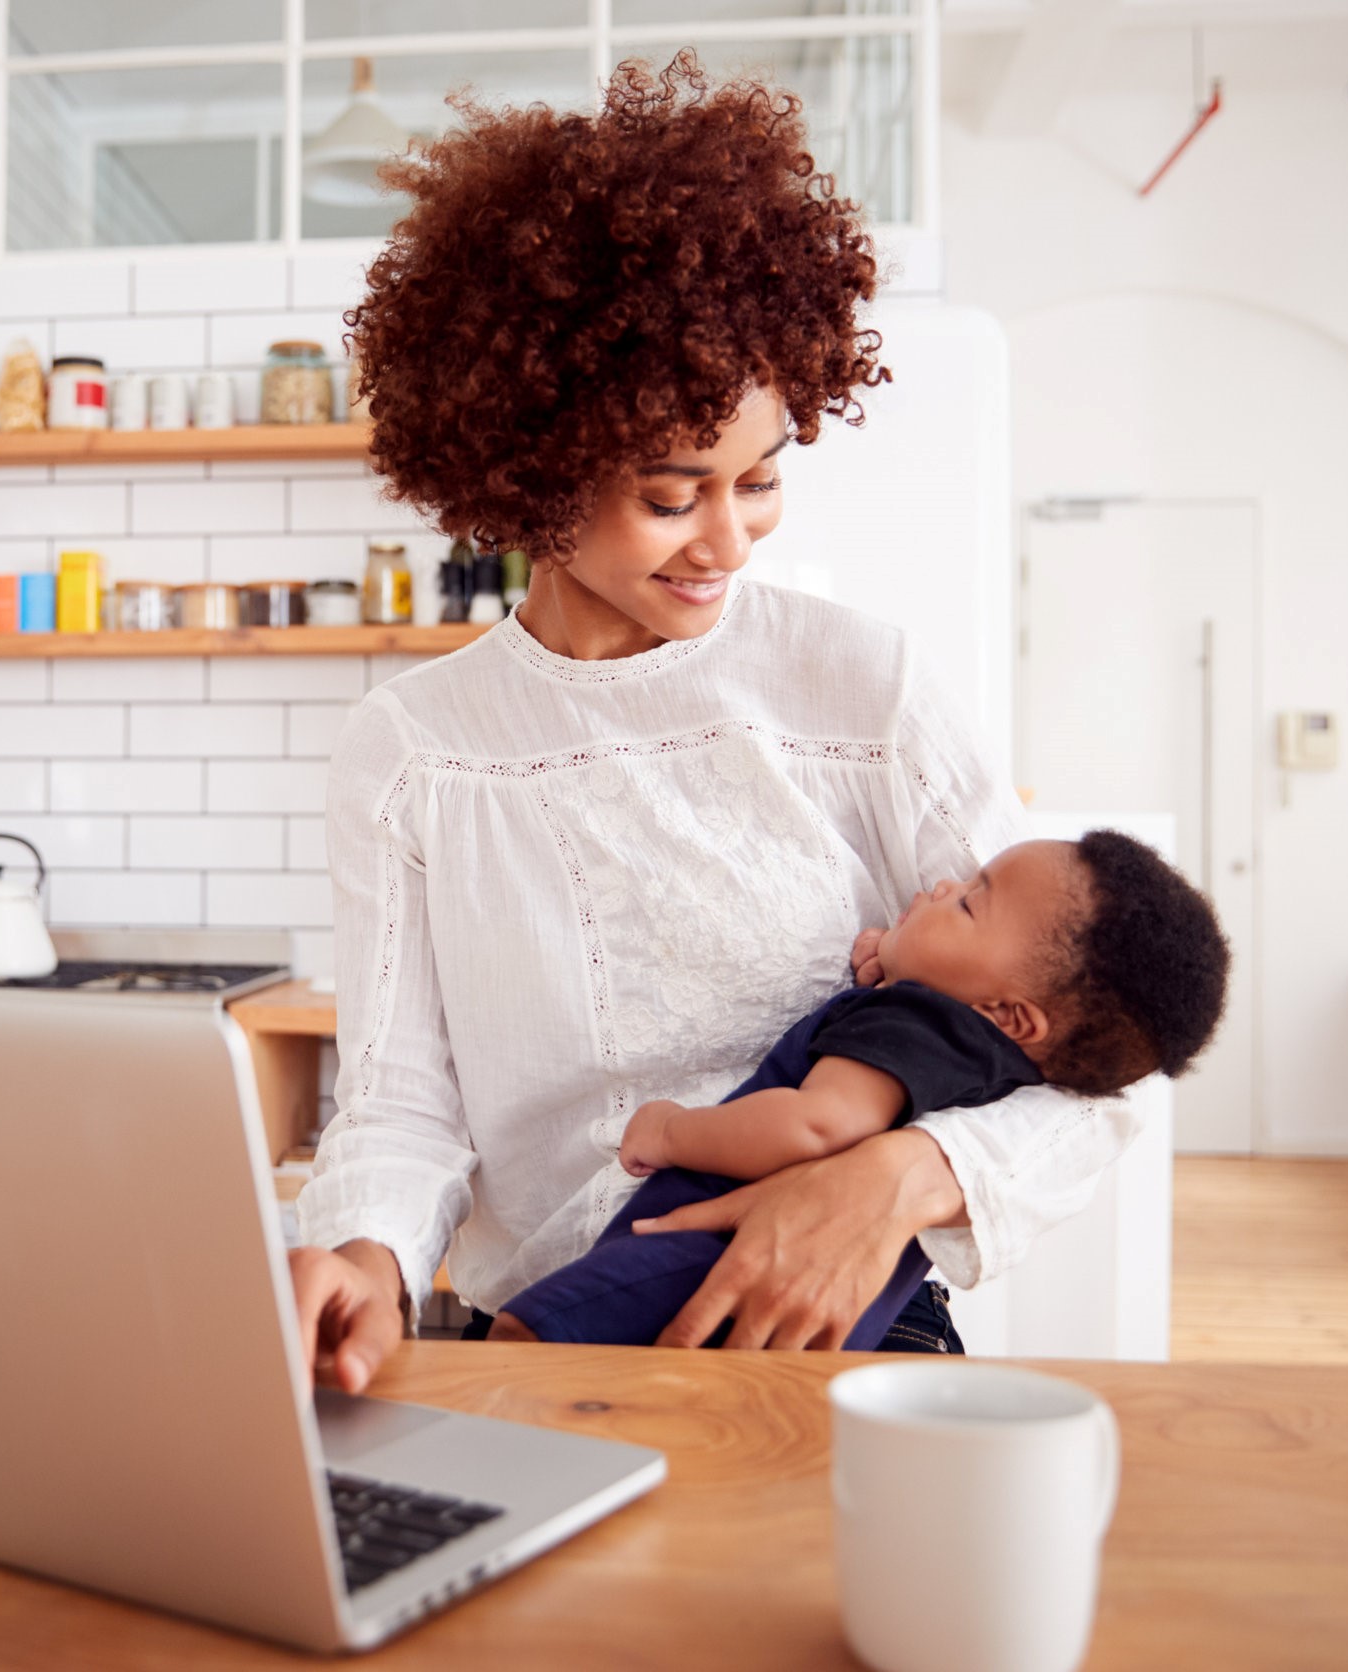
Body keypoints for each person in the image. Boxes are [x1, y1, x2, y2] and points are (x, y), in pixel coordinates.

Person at [290, 55, 1144, 1391]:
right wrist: (363, 1257)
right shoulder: (413, 755)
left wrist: (893, 1183)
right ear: (527, 469)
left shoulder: (859, 692)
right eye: (673, 493)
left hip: (839, 1334)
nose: (729, 541)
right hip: (550, 1338)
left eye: (761, 478)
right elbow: (403, 1108)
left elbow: (1093, 1057)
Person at [488, 831, 1230, 1347]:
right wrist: (905, 960)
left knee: (524, 1341)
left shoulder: (912, 1021)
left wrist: (673, 1130)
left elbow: (820, 1126)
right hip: (850, 1308)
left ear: (1007, 1013)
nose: (943, 885)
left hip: (706, 1253)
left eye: (970, 901)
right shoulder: (990, 1054)